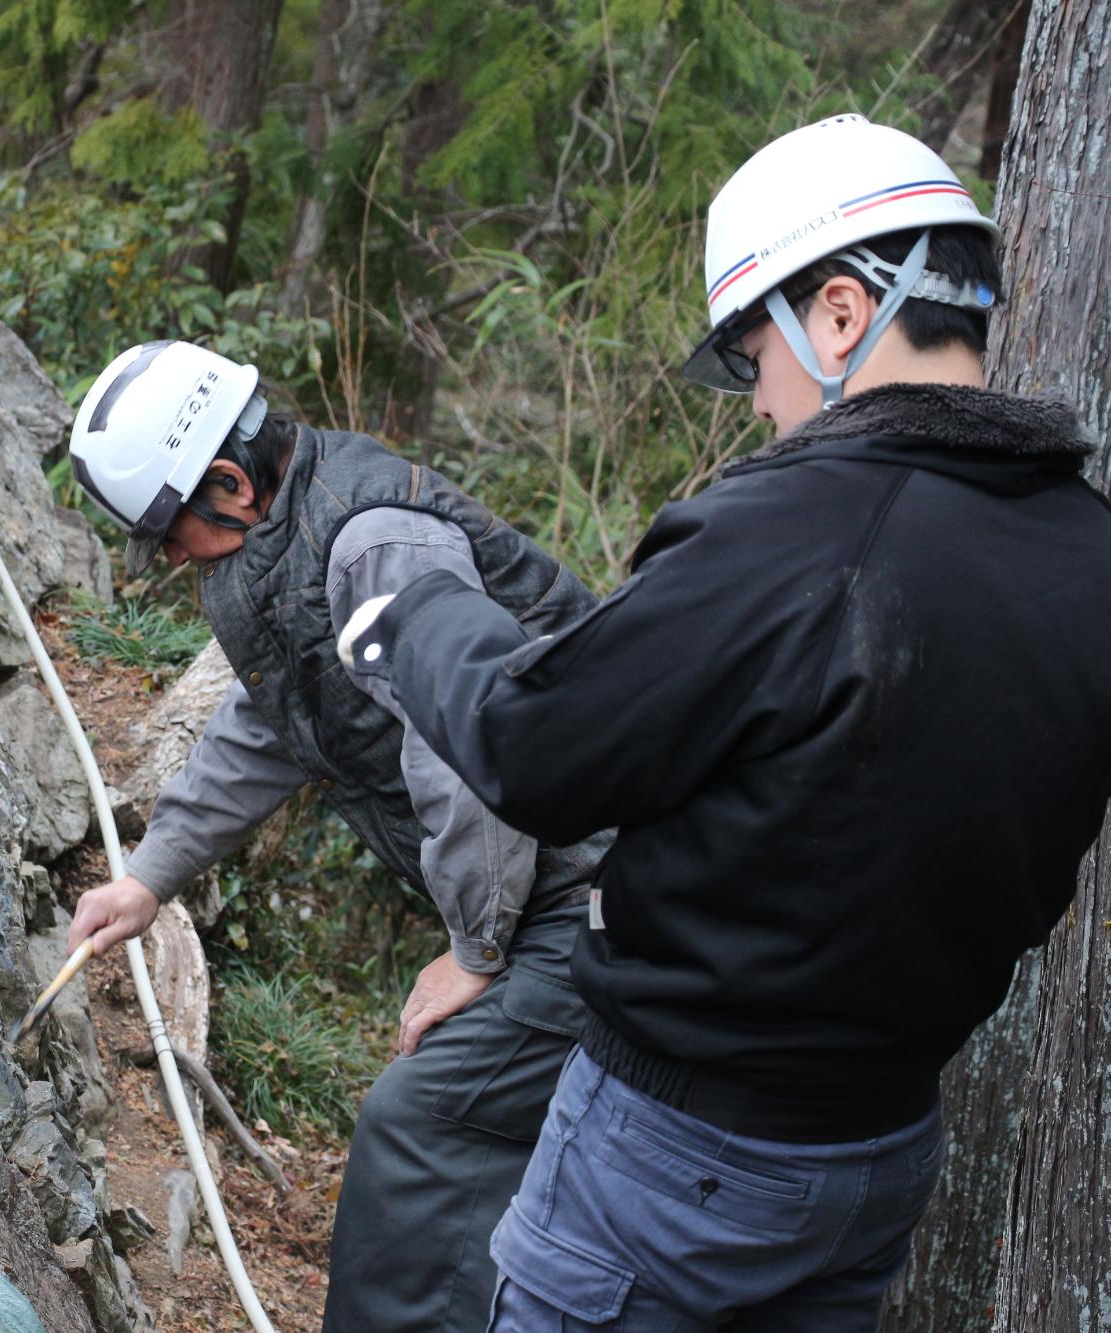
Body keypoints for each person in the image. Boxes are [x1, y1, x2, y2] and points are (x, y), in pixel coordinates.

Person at [337, 113, 1111, 1330]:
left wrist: (408, 611)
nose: (755, 403)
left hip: (678, 1150)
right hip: (880, 1144)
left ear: (843, 314)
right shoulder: (1084, 548)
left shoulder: (790, 533)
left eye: (753, 355)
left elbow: (531, 748)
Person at [59, 338, 613, 1332]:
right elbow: (272, 723)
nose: (173, 559)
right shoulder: (281, 547)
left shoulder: (375, 547)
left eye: (171, 533)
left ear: (227, 483)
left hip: (607, 885)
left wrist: (474, 951)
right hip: (549, 885)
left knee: (425, 1125)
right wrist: (149, 878)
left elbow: (464, 750)